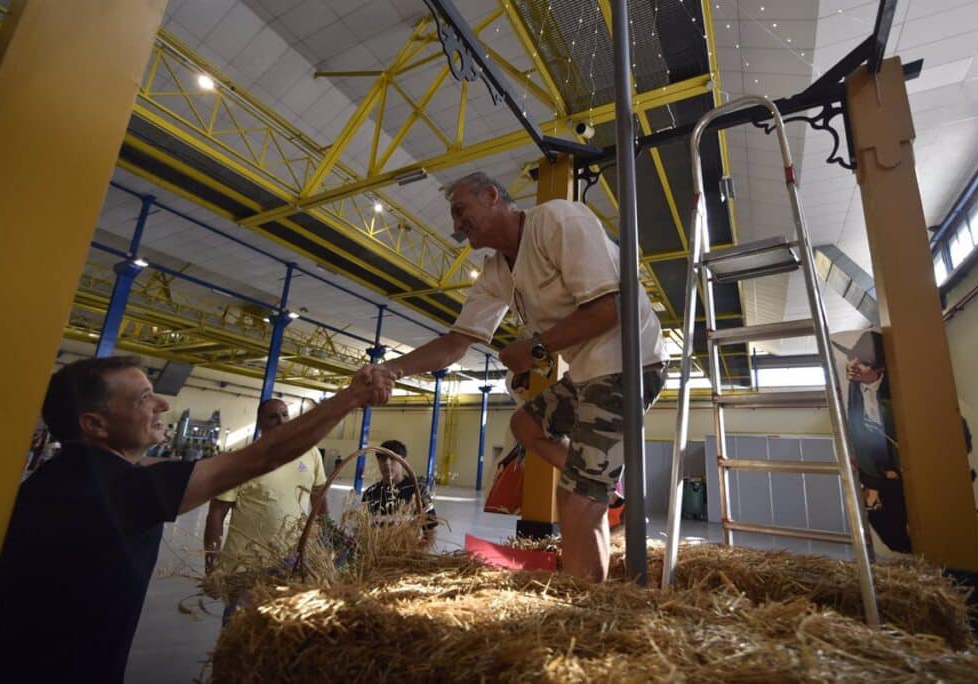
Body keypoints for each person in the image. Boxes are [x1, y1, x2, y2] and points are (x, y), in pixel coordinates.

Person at [0, 355, 388, 682]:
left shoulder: (64, 477)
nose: (163, 406)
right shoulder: (117, 492)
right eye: (144, 399)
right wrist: (351, 397)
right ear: (95, 424)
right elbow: (261, 458)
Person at [360, 171, 669, 582]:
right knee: (525, 425)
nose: (455, 226)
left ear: (491, 195)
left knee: (576, 505)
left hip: (630, 362)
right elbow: (455, 343)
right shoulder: (495, 273)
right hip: (588, 372)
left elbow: (611, 308)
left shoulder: (557, 221)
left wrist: (536, 348)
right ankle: (594, 477)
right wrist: (393, 368)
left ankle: (594, 604)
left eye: (460, 211)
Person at [204, 399, 329, 582]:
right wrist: (211, 566)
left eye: (285, 414)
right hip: (246, 566)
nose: (281, 421)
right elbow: (216, 514)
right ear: (260, 422)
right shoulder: (242, 459)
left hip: (291, 562)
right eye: (273, 417)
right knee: (241, 610)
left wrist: (323, 543)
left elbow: (320, 502)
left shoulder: (310, 452)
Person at [835, 330, 911, 554]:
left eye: (864, 362)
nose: (854, 364)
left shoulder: (896, 390)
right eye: (853, 357)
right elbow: (857, 428)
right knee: (877, 517)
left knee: (902, 514)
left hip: (897, 463)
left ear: (881, 369)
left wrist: (894, 469)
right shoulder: (855, 386)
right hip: (873, 464)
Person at [361, 440, 438, 546]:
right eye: (382, 459)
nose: (387, 463)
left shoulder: (418, 490)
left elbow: (430, 530)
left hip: (408, 556)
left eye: (393, 458)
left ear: (403, 461)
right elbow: (364, 530)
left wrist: (422, 553)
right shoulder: (370, 493)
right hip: (377, 557)